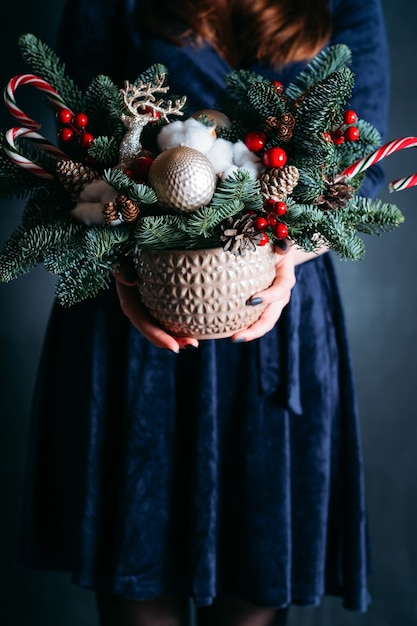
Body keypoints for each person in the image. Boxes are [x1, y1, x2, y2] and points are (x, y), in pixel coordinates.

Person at [21, 0, 389, 624]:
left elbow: (362, 169)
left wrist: (285, 258)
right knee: (137, 597)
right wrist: (121, 266)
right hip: (132, 316)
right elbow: (75, 131)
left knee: (254, 595)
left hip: (272, 317)